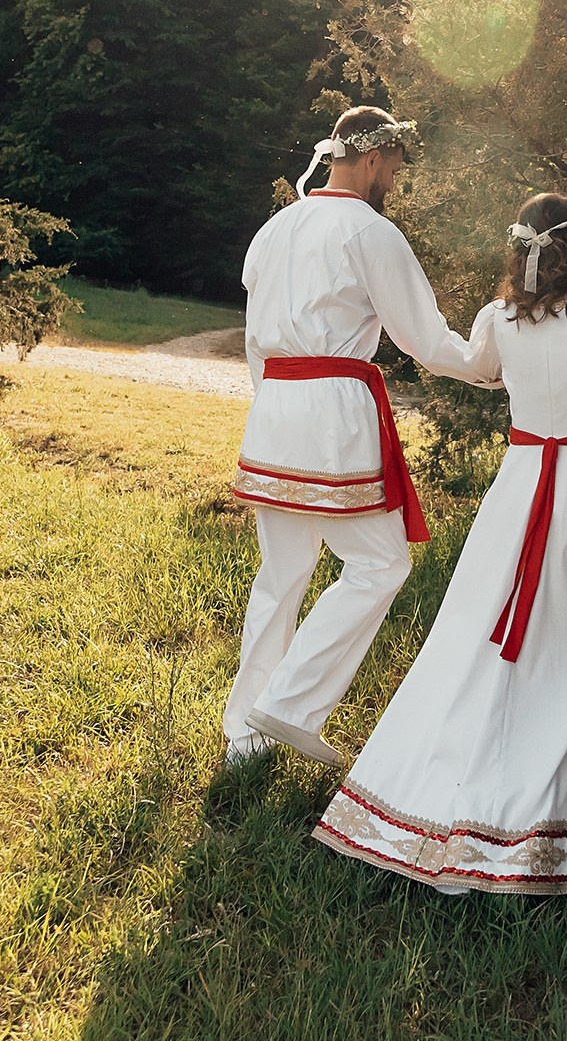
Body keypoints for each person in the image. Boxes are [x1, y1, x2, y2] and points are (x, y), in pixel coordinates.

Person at [312, 192, 567, 895]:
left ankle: (458, 783)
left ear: (524, 251)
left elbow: (471, 364)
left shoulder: (501, 319)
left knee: (483, 641)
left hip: (519, 494)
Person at [222, 106, 498, 768]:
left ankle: (245, 736)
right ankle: (284, 706)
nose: (394, 184)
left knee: (281, 572)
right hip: (331, 411)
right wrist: (499, 365)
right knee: (380, 565)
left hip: (275, 406)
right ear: (373, 160)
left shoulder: (275, 229)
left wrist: (276, 409)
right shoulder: (371, 233)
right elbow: (427, 341)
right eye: (395, 171)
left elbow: (258, 338)